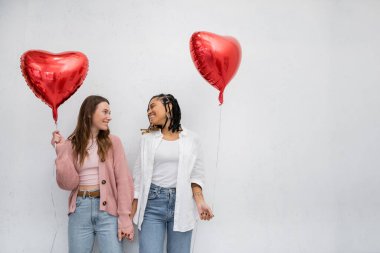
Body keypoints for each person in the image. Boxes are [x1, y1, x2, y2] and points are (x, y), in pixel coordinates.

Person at [131, 93, 214, 253]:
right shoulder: (147, 139)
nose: (148, 111)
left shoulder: (191, 139)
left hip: (181, 203)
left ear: (168, 106)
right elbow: (138, 179)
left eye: (152, 106)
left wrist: (200, 201)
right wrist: (130, 215)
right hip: (151, 205)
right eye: (147, 109)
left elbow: (196, 175)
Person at [51, 95, 134, 253]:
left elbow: (123, 181)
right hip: (80, 208)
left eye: (109, 112)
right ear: (89, 113)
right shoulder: (71, 144)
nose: (109, 117)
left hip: (108, 211)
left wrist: (125, 218)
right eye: (105, 112)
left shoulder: (113, 142)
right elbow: (67, 184)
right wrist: (61, 151)